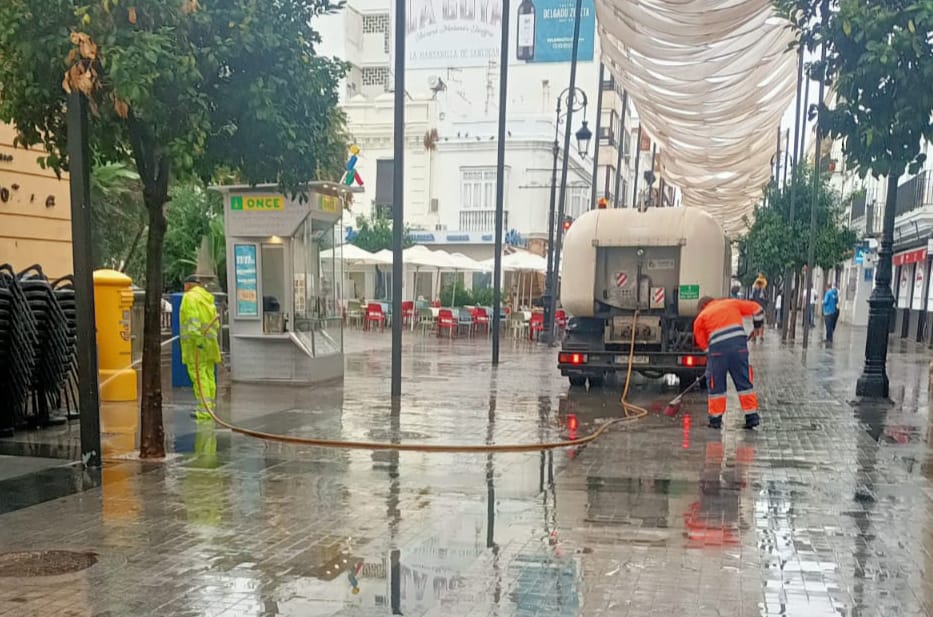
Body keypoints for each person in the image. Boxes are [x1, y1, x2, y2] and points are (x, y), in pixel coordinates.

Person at [693, 296, 765, 430]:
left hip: (718, 353)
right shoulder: (732, 303)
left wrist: (711, 355)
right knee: (744, 382)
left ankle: (715, 420)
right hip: (739, 349)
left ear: (702, 307)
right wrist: (757, 327)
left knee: (717, 386)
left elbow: (701, 341)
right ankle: (751, 417)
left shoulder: (701, 317)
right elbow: (757, 309)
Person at [180, 275, 221, 420]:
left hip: (195, 346)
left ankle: (204, 410)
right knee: (209, 375)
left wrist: (197, 340)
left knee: (199, 377)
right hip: (210, 344)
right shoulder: (207, 298)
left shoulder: (189, 298)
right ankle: (210, 408)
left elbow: (192, 321)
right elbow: (215, 323)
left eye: (184, 285)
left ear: (189, 285)